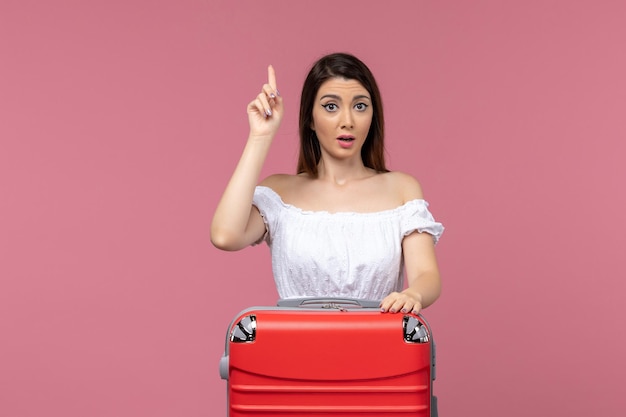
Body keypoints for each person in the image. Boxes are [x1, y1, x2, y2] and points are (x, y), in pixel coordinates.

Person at [210, 52, 444, 315]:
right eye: (331, 106)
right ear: (310, 118)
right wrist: (260, 136)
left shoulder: (402, 189)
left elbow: (426, 274)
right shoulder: (280, 192)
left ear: (373, 116)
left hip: (379, 348)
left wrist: (413, 294)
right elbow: (224, 235)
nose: (348, 121)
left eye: (360, 106)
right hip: (297, 349)